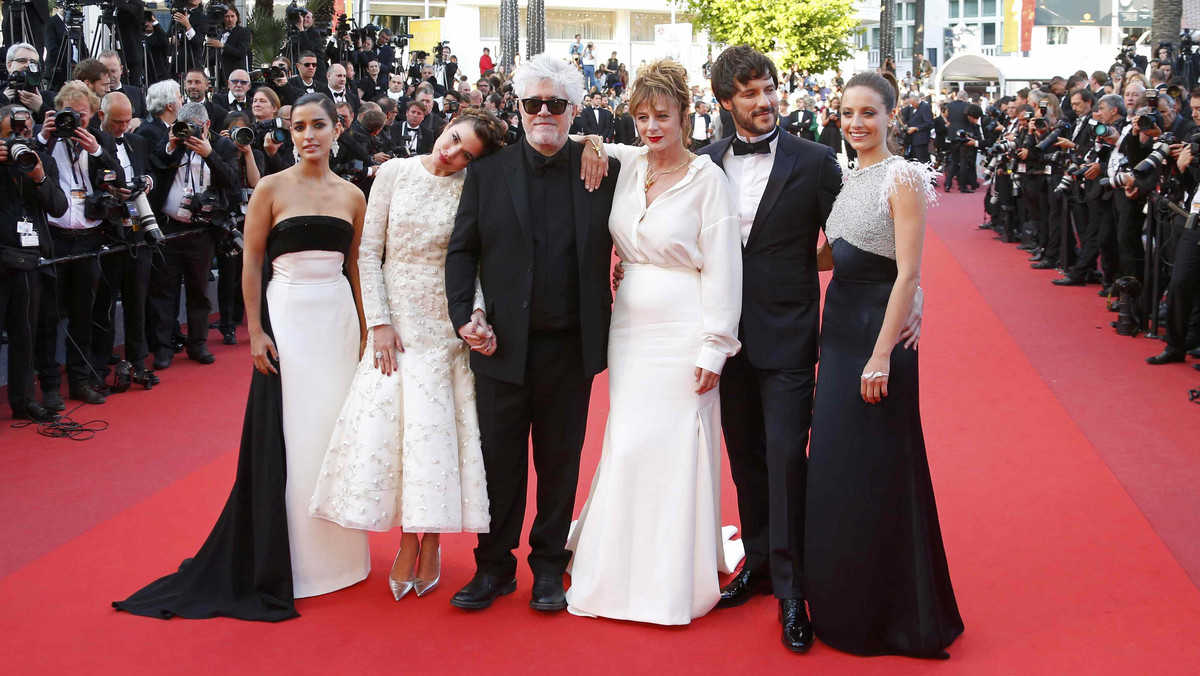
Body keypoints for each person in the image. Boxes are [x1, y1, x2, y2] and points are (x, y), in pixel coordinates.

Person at [113, 94, 371, 621]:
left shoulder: (352, 195)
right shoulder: (272, 189)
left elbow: (358, 268)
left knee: (334, 433)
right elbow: (251, 265)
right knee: (293, 435)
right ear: (289, 132)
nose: (308, 135)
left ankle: (343, 555)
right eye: (297, 126)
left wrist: (367, 328)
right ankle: (296, 560)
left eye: (317, 125)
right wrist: (254, 331)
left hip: (338, 322)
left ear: (336, 129)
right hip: (289, 318)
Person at [565, 58, 742, 626]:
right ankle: (619, 558)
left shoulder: (708, 180)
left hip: (685, 324)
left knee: (673, 443)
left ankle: (669, 573)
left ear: (686, 116)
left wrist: (715, 346)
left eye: (661, 116)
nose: (650, 127)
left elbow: (723, 268)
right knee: (628, 437)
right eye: (640, 117)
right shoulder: (629, 161)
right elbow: (573, 140)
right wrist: (593, 137)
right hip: (631, 328)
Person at [444, 54, 619, 613]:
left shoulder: (602, 168)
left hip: (571, 346)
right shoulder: (488, 171)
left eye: (556, 103)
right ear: (518, 109)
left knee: (560, 462)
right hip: (500, 345)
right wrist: (461, 317)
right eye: (533, 103)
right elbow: (461, 251)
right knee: (499, 464)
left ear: (574, 109)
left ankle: (548, 569)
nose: (544, 112)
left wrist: (594, 142)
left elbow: (662, 155)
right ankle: (493, 567)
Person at [309, 109, 507, 600]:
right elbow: (368, 252)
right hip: (395, 327)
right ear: (448, 125)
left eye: (467, 154)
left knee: (436, 436)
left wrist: (475, 314)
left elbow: (474, 264)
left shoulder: (470, 189)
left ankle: (433, 539)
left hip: (446, 326)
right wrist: (377, 321)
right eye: (454, 138)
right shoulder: (394, 172)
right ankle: (404, 541)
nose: (452, 153)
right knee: (395, 433)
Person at [805, 70, 962, 659]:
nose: (855, 123)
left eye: (868, 113)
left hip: (875, 342)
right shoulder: (851, 177)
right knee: (841, 472)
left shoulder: (903, 177)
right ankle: (845, 604)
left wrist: (880, 357)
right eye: (846, 113)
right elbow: (835, 254)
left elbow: (909, 273)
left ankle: (888, 618)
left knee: (876, 473)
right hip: (838, 331)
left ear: (892, 116)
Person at [692, 45, 841, 654]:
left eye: (769, 89)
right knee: (746, 455)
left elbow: (847, 242)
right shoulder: (706, 162)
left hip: (788, 334)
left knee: (785, 456)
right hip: (726, 339)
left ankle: (792, 589)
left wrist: (796, 273)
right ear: (726, 100)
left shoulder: (816, 161)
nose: (763, 102)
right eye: (749, 92)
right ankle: (755, 563)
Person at [33, 83, 120, 408]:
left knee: (84, 315)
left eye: (81, 116)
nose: (74, 123)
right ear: (57, 113)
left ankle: (79, 381)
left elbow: (119, 179)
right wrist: (44, 136)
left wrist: (96, 150)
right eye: (68, 115)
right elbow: (24, 164)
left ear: (93, 115)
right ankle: (51, 387)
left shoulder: (100, 143)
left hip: (89, 239)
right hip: (54, 239)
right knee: (48, 317)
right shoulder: (45, 141)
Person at [0, 103, 65, 426]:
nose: (19, 136)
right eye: (12, 129)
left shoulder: (42, 160)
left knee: (25, 335)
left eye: (25, 129)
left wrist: (39, 177)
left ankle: (24, 401)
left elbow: (58, 206)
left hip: (27, 263)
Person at [206, 5, 251, 86]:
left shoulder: (244, 32)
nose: (230, 20)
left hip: (236, 76)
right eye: (227, 17)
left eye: (232, 16)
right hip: (219, 76)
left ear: (237, 17)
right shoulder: (219, 33)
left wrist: (222, 45)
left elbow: (241, 53)